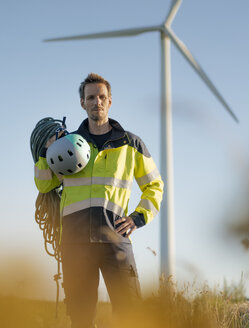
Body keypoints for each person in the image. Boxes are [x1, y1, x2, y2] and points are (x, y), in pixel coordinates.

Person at [34, 73, 164, 327]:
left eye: (102, 97)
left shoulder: (131, 144)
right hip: (75, 243)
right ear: (82, 102)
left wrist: (139, 217)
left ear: (110, 101)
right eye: (91, 97)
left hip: (115, 240)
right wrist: (45, 151)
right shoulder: (67, 144)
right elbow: (44, 183)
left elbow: (154, 185)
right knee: (81, 319)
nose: (97, 102)